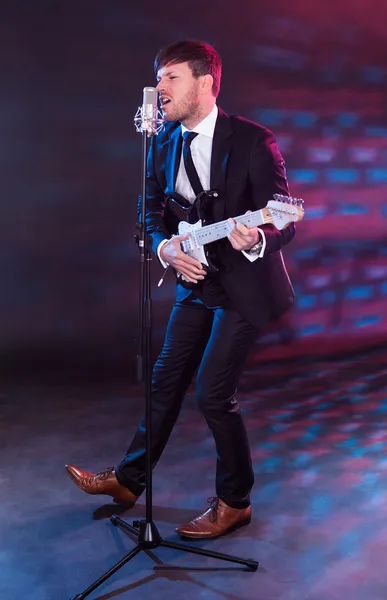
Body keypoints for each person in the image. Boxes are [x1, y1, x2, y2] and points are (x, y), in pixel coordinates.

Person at [66, 39, 295, 539]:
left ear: (206, 85)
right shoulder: (163, 140)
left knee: (213, 393)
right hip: (195, 283)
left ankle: (235, 502)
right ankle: (129, 482)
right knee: (165, 382)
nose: (158, 88)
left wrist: (258, 235)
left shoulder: (254, 141)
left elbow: (285, 217)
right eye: (158, 77)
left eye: (171, 78)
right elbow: (149, 212)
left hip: (245, 287)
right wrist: (166, 248)